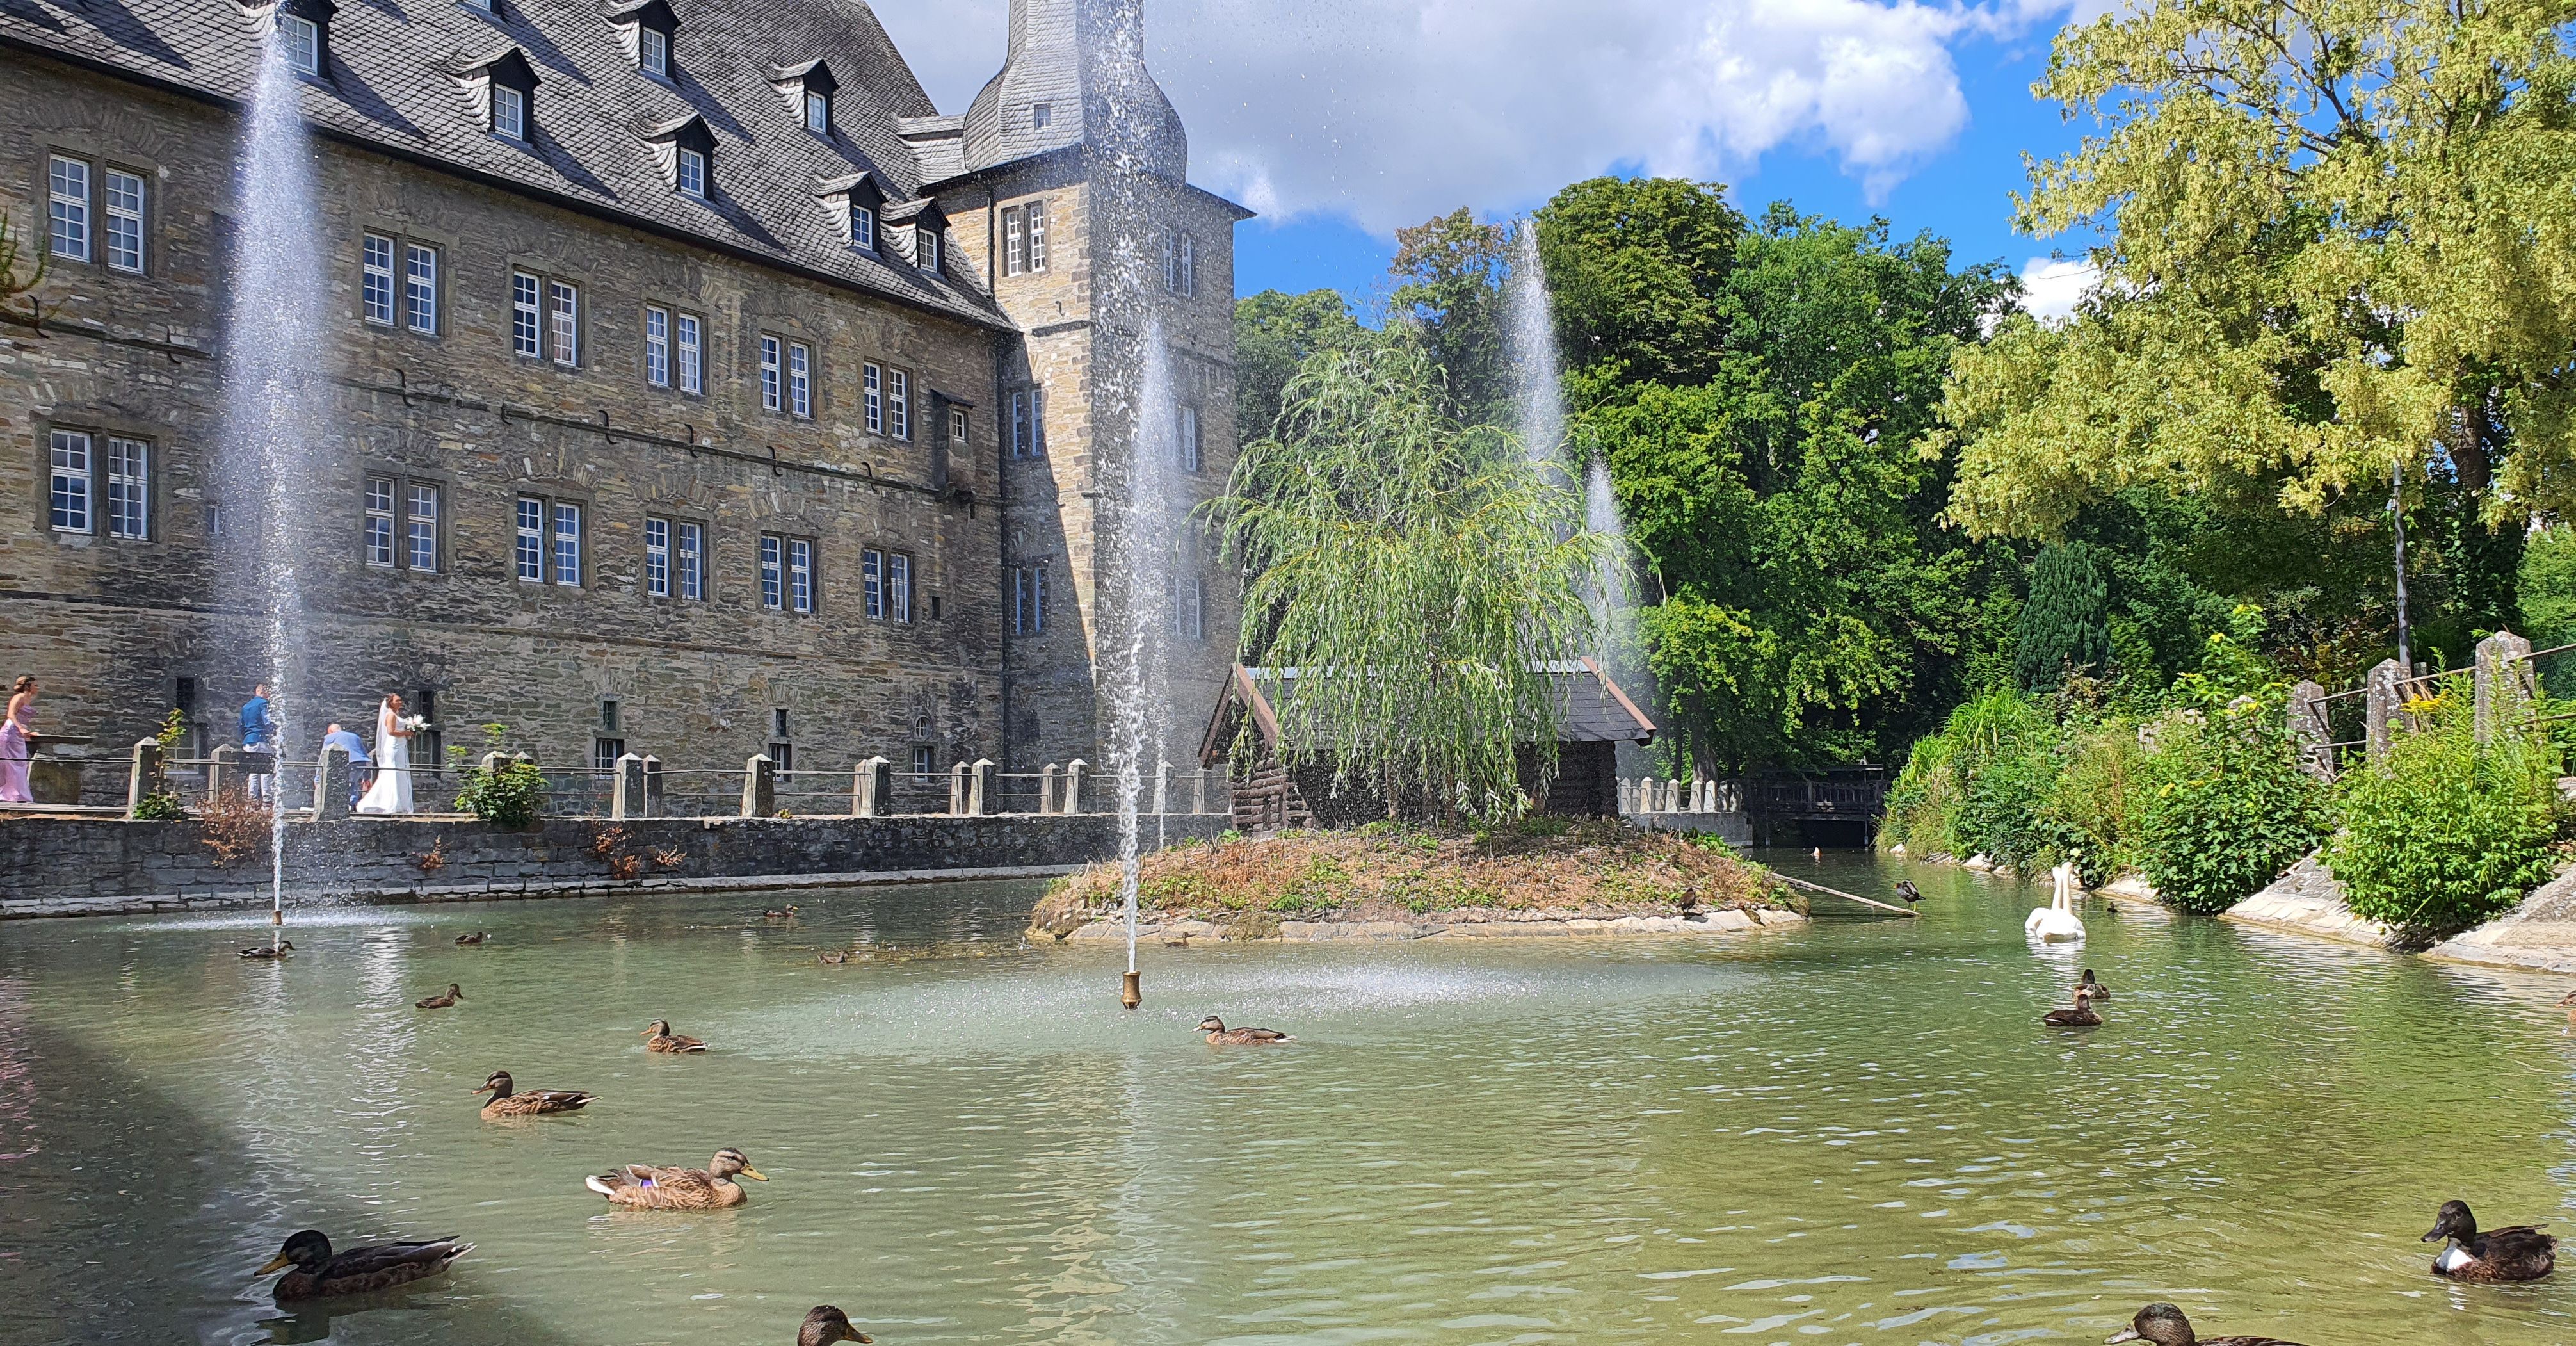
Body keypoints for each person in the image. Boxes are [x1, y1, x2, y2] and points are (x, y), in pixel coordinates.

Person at [355, 693, 415, 815]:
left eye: (400, 700)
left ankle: (401, 803)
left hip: (399, 745)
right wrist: (406, 733)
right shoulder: (391, 715)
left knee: (400, 772)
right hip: (393, 746)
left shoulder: (396, 714)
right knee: (393, 772)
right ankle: (390, 803)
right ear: (391, 703)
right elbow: (391, 732)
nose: (400, 703)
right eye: (397, 701)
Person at [0, 675, 36, 804]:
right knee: (12, 763)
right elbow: (11, 714)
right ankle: (9, 795)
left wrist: (27, 731)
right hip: (11, 732)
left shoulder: (28, 699)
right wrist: (21, 728)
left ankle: (18, 795)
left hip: (18, 735)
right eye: (35, 685)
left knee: (21, 764)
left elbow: (22, 717)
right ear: (28, 686)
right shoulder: (19, 697)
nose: (37, 688)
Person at [241, 683, 277, 802]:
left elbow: (241, 726)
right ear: (265, 692)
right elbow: (267, 721)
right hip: (261, 739)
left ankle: (252, 798)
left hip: (249, 741)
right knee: (266, 770)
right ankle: (267, 799)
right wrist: (275, 733)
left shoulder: (246, 707)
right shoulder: (264, 704)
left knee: (253, 770)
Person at [322, 722, 371, 810]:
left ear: (330, 731)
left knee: (341, 783)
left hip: (344, 762)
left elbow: (323, 757)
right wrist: (367, 776)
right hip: (360, 762)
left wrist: (317, 778)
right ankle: (352, 804)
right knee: (352, 782)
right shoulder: (355, 736)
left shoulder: (329, 737)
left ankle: (339, 806)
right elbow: (364, 754)